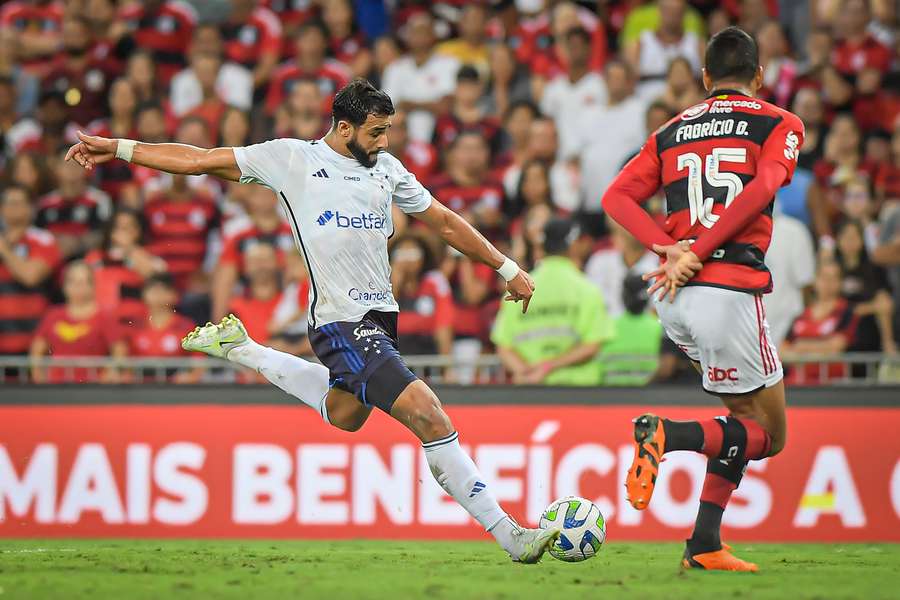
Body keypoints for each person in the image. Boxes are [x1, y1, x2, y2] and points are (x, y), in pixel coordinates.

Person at [66, 78, 556, 563]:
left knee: (345, 416)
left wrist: (506, 267)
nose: (384, 142)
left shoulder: (386, 168)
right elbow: (198, 159)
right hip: (339, 322)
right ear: (344, 127)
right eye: (375, 132)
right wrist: (121, 147)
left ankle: (244, 349)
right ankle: (510, 535)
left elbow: (445, 222)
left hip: (381, 318)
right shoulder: (292, 159)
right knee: (428, 413)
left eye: (387, 132)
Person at [602, 27, 805, 571]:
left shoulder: (671, 129)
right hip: (729, 293)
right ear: (759, 77)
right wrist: (699, 250)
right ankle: (666, 435)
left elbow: (615, 197)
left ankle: (704, 544)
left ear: (706, 79)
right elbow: (762, 190)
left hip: (674, 297)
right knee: (771, 435)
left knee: (738, 421)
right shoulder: (780, 122)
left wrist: (669, 249)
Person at [492, 217, 613, 386]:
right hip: (579, 392)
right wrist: (549, 367)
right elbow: (592, 345)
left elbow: (503, 346)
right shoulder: (587, 289)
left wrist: (525, 372)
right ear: (573, 245)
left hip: (530, 391)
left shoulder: (519, 288)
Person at [30, 260, 127, 384]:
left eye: (82, 282)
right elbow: (37, 349)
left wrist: (107, 377)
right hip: (56, 387)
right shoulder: (53, 315)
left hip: (91, 388)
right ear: (64, 286)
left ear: (92, 286)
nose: (77, 287)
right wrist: (39, 378)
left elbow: (120, 351)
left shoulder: (104, 317)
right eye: (72, 281)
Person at [780, 261, 860, 385]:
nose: (827, 283)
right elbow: (783, 350)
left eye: (833, 278)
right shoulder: (801, 316)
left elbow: (836, 346)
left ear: (840, 283)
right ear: (815, 281)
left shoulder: (846, 312)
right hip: (798, 384)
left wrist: (801, 346)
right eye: (824, 277)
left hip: (833, 385)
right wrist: (820, 348)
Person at [600, 273, 663, 386]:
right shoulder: (659, 327)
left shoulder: (607, 325)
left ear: (623, 295)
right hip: (648, 394)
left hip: (610, 394)